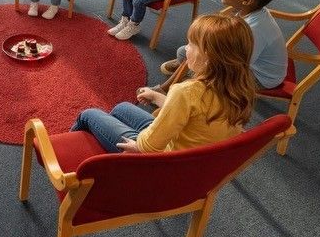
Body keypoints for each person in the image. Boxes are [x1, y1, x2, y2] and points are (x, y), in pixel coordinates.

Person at [72, 14, 256, 153]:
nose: (186, 48)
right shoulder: (240, 86)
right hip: (194, 153)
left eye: (191, 44)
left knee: (89, 115)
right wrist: (157, 97)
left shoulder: (185, 91)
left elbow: (149, 145)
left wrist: (138, 146)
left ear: (209, 57)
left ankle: (65, 158)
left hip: (162, 159)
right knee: (122, 108)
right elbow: (195, 112)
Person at [156, 0, 287, 92]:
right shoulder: (250, 11)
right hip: (245, 61)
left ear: (246, 0)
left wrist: (202, 61)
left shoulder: (253, 31)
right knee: (184, 51)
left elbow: (233, 66)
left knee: (199, 62)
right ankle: (184, 70)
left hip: (259, 77)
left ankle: (172, 87)